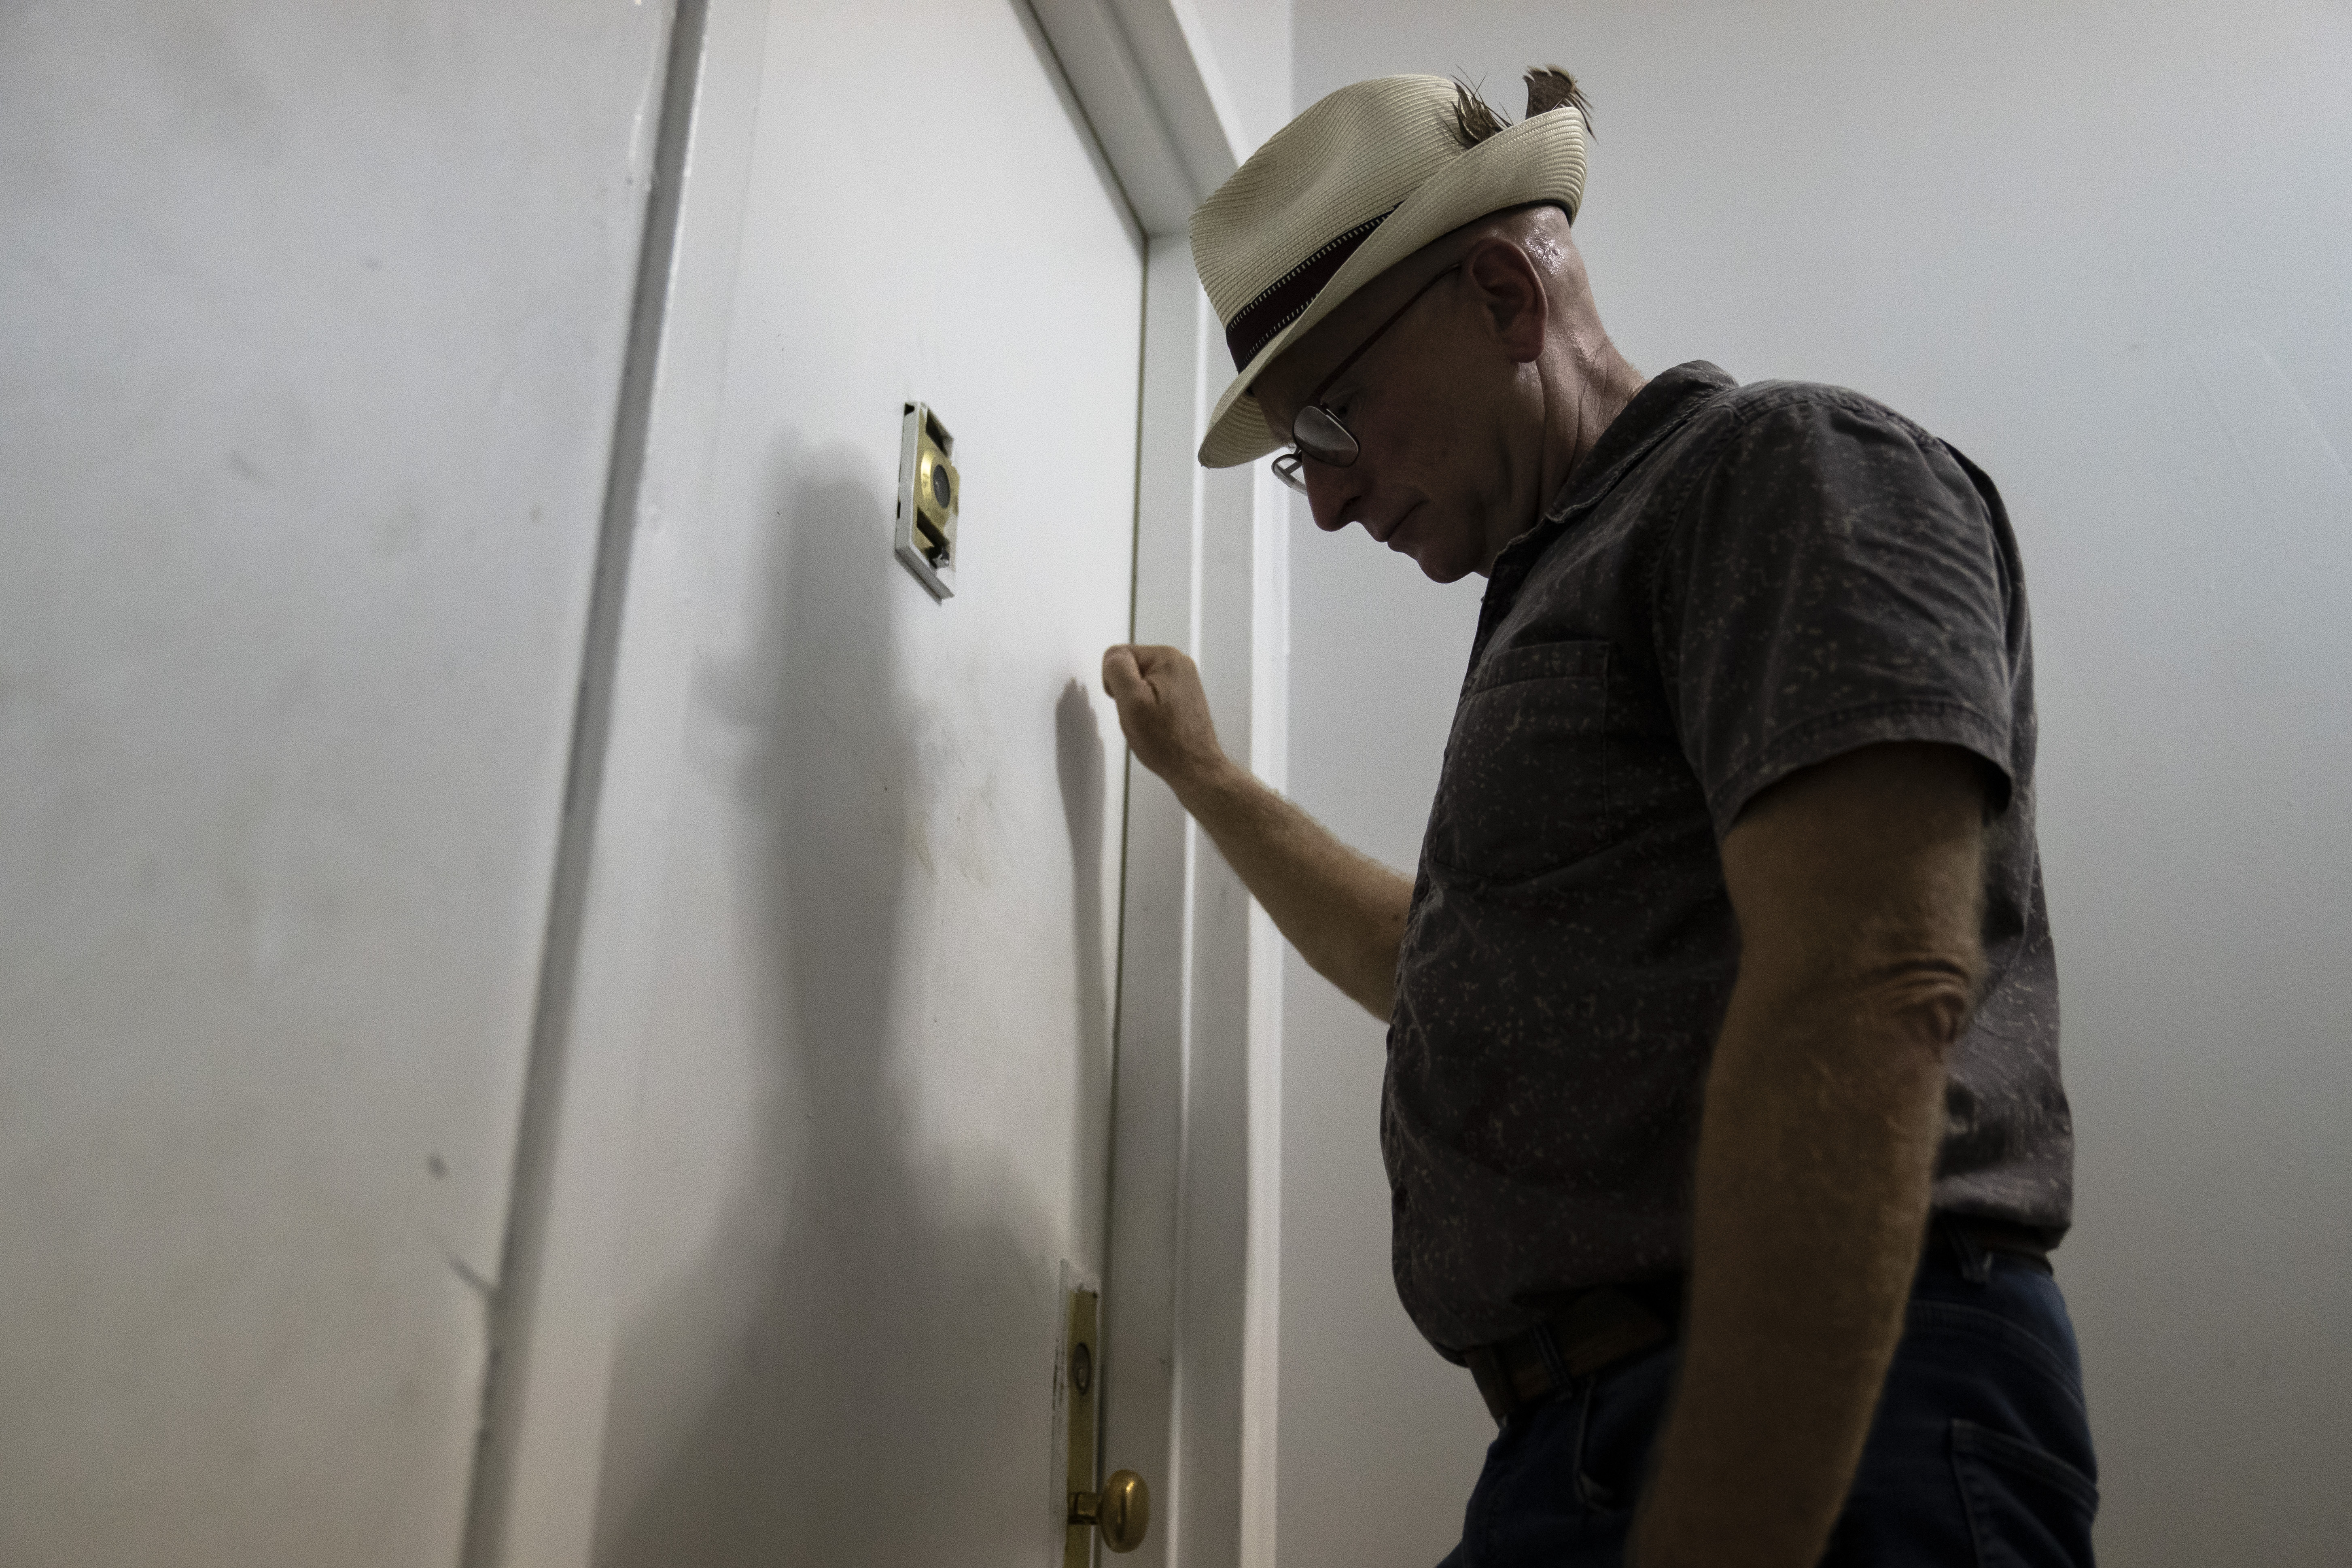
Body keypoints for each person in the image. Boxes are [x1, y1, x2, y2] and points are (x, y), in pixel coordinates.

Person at [1100, 70, 2098, 1568]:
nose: (1324, 500)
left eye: (1330, 417)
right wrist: (1209, 781)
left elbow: (1869, 989)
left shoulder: (1781, 471)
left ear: (1503, 293)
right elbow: (1434, 975)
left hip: (1833, 1416)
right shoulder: (1564, 588)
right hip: (1575, 1451)